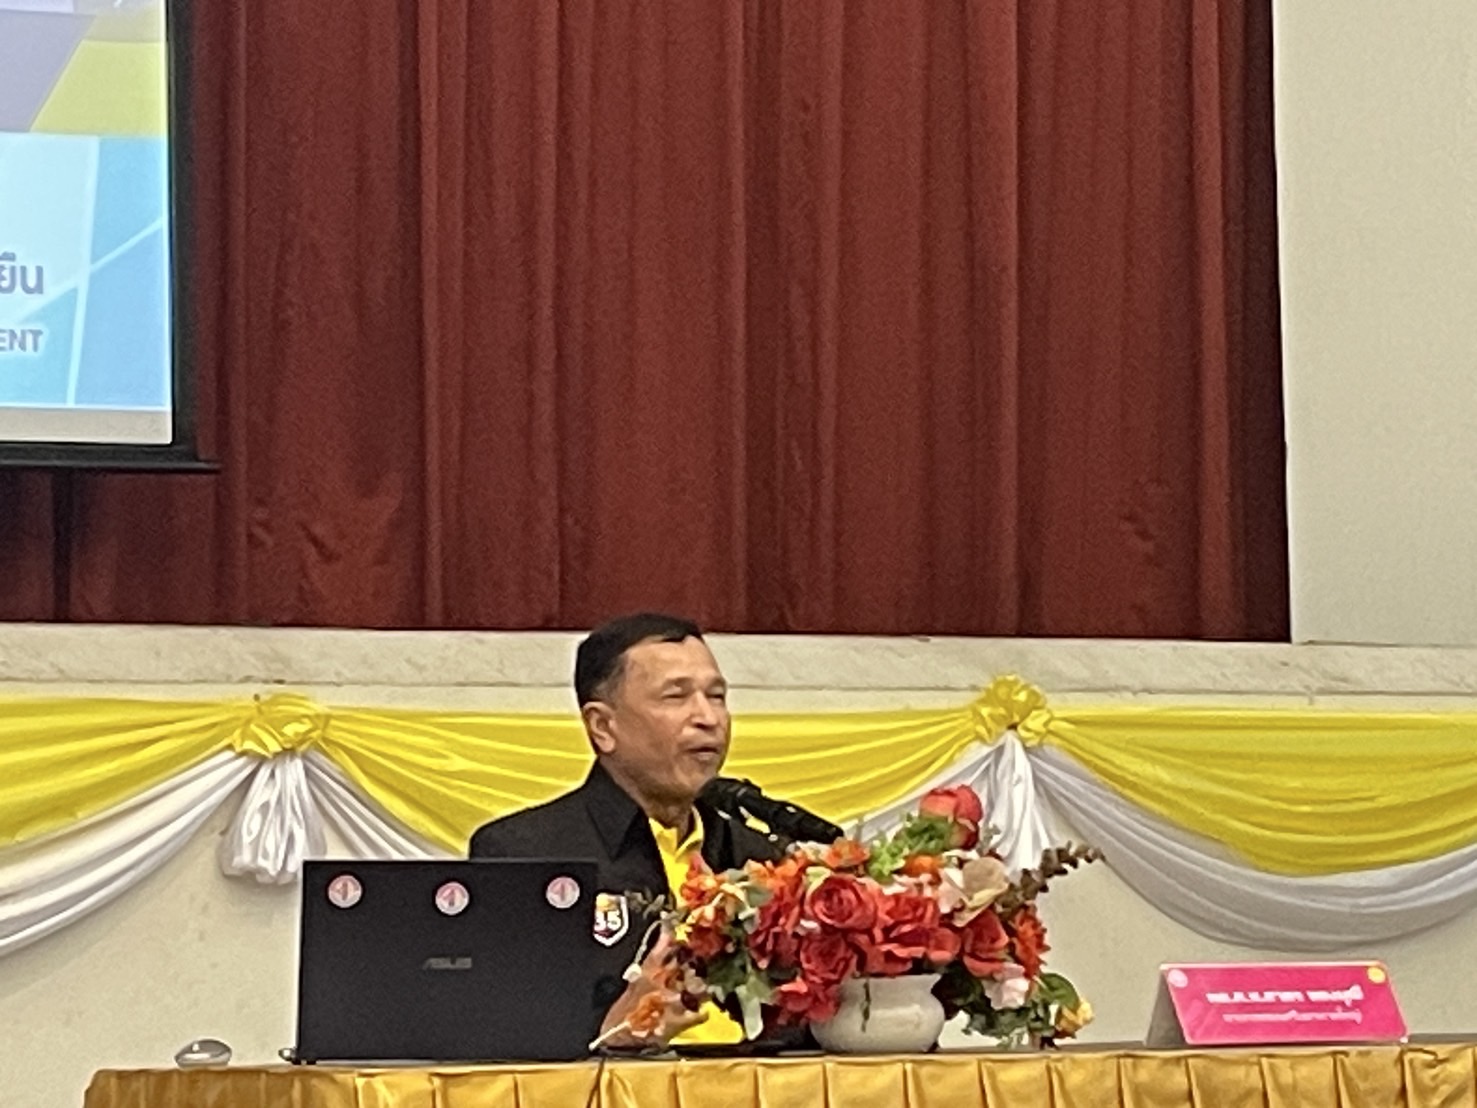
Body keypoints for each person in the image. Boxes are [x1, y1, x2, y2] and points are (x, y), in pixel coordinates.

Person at [469, 612, 782, 1049]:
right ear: (603, 726)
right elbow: (500, 1042)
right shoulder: (525, 853)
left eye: (717, 696)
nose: (708, 717)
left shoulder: (764, 860)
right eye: (676, 696)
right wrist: (613, 1034)